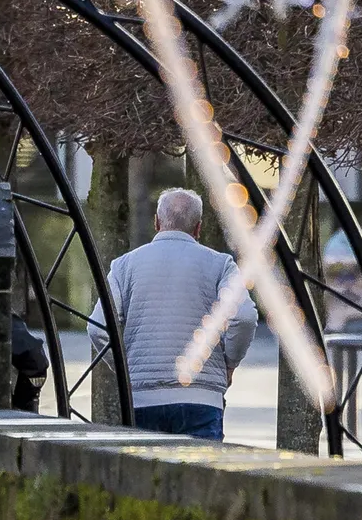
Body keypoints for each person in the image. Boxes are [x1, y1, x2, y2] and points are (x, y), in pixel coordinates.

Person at [87, 186, 254, 438]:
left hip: (142, 400)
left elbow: (97, 327)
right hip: (202, 397)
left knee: (145, 476)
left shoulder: (124, 266)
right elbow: (244, 316)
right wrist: (229, 364)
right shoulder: (221, 265)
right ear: (198, 227)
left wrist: (126, 369)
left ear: (156, 222)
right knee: (199, 476)